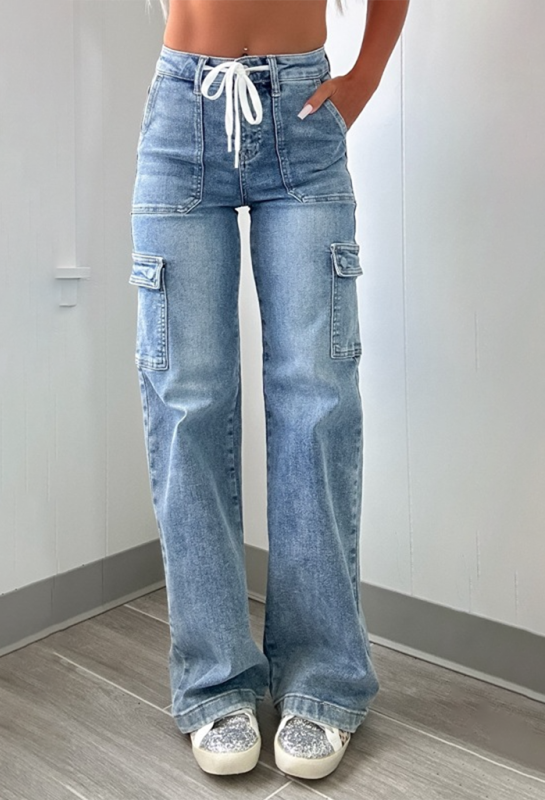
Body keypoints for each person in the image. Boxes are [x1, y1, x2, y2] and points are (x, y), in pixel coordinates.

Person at [131, 0, 409, 781]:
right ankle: (214, 680)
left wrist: (366, 76)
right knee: (186, 405)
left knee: (317, 402)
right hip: (181, 114)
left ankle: (323, 680)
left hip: (303, 117)